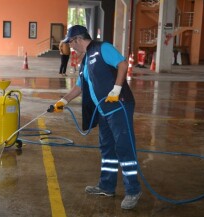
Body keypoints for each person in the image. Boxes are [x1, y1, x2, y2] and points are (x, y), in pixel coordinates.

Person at [53, 25, 142, 209]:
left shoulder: (103, 48)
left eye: (71, 43)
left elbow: (122, 64)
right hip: (103, 111)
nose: (71, 47)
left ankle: (133, 191)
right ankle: (107, 186)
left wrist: (116, 90)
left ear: (78, 39)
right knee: (107, 149)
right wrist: (63, 101)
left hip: (119, 107)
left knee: (124, 147)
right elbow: (79, 87)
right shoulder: (85, 61)